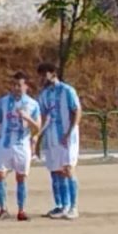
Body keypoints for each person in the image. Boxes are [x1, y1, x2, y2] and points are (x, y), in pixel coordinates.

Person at [0, 72, 41, 221]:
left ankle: (21, 210)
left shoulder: (32, 104)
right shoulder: (2, 102)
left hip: (22, 145)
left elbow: (38, 128)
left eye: (19, 85)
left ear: (26, 87)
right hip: (4, 144)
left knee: (21, 177)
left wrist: (27, 118)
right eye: (14, 85)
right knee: (0, 175)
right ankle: (3, 208)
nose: (16, 88)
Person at [37, 63, 82, 219]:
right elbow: (43, 118)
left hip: (66, 137)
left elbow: (76, 111)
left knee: (68, 169)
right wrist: (38, 138)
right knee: (55, 172)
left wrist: (69, 132)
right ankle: (61, 205)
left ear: (53, 74)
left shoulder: (67, 90)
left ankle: (74, 206)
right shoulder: (43, 95)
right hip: (51, 137)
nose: (42, 78)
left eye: (44, 74)